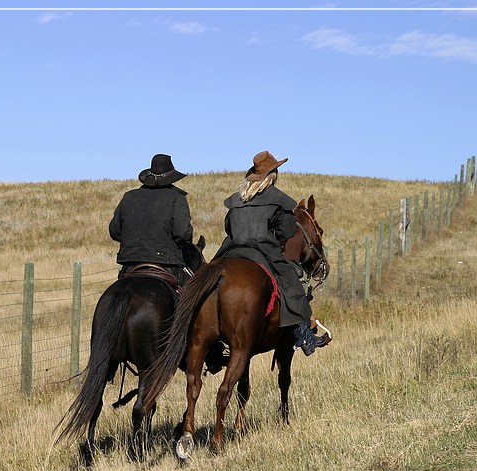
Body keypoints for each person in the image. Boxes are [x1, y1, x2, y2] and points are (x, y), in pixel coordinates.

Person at [213, 150, 327, 356]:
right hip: (262, 249)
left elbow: (228, 226)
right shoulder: (276, 198)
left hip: (230, 250)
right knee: (290, 280)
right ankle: (305, 336)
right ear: (272, 175)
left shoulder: (236, 200)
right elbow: (287, 230)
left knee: (206, 280)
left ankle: (210, 346)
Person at [109, 154, 194, 285]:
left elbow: (115, 231)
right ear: (172, 178)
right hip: (167, 263)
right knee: (194, 296)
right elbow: (182, 234)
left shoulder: (129, 196)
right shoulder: (176, 198)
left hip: (130, 263)